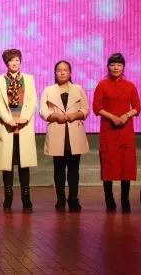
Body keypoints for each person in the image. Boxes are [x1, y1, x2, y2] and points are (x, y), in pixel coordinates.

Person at [40, 60, 90, 212]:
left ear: (70, 72)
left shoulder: (78, 89)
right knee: (59, 169)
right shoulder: (49, 90)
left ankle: (73, 198)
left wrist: (76, 114)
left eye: (65, 70)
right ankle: (60, 198)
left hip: (74, 132)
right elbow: (43, 111)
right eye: (59, 70)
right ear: (55, 73)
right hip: (57, 131)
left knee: (74, 169)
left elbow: (86, 109)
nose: (62, 72)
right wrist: (54, 116)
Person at [93, 53, 140, 212]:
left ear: (123, 67)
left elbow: (137, 107)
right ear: (108, 67)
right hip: (108, 129)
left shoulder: (130, 86)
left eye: (119, 65)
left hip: (125, 129)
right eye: (112, 65)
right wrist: (112, 117)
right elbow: (96, 108)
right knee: (108, 162)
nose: (115, 68)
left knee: (126, 163)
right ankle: (109, 198)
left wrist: (126, 115)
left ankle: (125, 199)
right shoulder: (102, 85)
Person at [0, 49, 38, 213]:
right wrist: (8, 120)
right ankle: (8, 197)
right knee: (7, 165)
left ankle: (26, 198)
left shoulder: (28, 79)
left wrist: (24, 118)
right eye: (11, 60)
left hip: (23, 126)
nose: (14, 63)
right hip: (8, 126)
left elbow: (32, 100)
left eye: (17, 60)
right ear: (6, 62)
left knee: (24, 164)